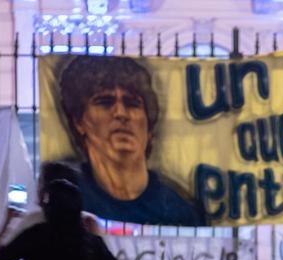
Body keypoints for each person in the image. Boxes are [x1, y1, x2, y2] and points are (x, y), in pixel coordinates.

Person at [56, 55, 205, 226]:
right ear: (79, 121)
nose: (121, 113)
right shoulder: (70, 199)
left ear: (149, 125)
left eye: (132, 103)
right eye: (105, 102)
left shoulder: (181, 211)